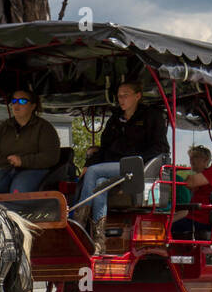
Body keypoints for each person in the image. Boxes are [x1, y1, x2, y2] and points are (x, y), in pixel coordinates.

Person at [71, 81, 170, 232]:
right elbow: (103, 147)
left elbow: (161, 147)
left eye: (125, 95)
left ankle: (79, 223)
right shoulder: (114, 120)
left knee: (93, 172)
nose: (121, 99)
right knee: (100, 184)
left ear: (138, 96)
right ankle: (98, 238)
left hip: (136, 167)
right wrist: (89, 162)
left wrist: (138, 159)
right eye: (119, 96)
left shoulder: (152, 117)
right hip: (112, 166)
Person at [170, 145, 212, 225]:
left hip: (200, 216)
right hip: (194, 212)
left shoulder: (206, 177)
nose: (191, 160)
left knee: (168, 226)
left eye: (196, 157)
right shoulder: (199, 178)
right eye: (191, 157)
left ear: (206, 160)